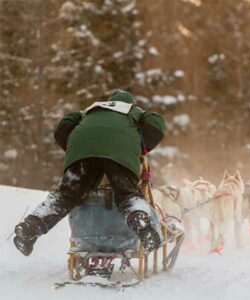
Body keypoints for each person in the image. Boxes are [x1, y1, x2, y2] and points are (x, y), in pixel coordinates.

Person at [13, 90, 166, 256]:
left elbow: (64, 124)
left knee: (64, 197)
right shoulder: (133, 111)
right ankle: (142, 223)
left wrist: (74, 147)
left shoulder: (90, 111)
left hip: (81, 152)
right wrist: (142, 146)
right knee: (128, 195)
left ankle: (30, 227)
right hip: (118, 152)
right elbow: (156, 122)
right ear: (131, 104)